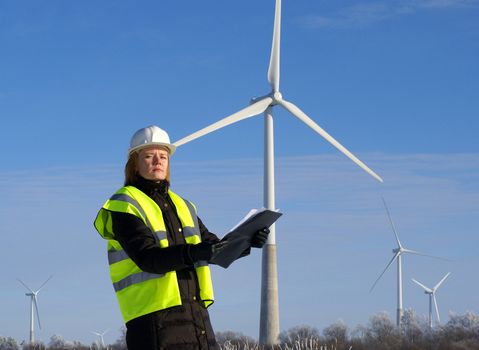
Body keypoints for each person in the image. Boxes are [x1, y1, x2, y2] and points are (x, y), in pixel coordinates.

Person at [94, 125, 269, 350]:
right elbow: (148, 258)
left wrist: (247, 242)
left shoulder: (184, 206)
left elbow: (214, 248)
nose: (158, 161)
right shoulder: (124, 204)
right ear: (134, 165)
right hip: (154, 322)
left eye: (163, 157)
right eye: (149, 156)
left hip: (197, 318)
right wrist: (196, 252)